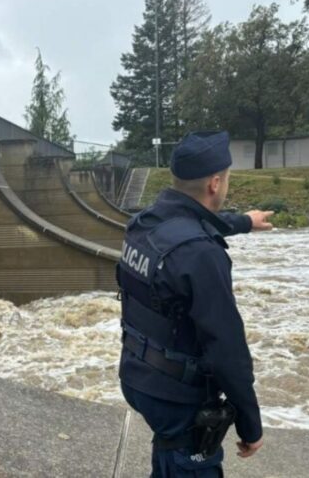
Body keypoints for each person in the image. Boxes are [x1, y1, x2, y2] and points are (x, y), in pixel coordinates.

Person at [117, 130, 273, 477]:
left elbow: (188, 226)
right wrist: (251, 425)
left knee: (169, 453)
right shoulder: (203, 255)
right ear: (215, 184)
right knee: (188, 459)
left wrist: (244, 222)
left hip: (138, 373)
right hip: (176, 396)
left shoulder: (143, 225)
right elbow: (226, 349)